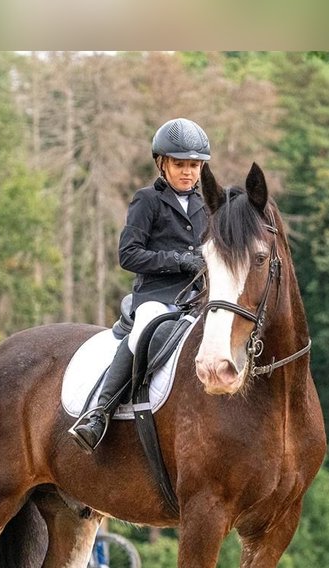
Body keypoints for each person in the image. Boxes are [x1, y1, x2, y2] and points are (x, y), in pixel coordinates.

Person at [68, 117, 210, 453]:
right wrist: (178, 261)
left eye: (194, 165)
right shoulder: (147, 200)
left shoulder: (207, 206)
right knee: (146, 330)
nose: (188, 172)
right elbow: (129, 254)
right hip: (156, 295)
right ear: (162, 164)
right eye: (180, 164)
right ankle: (98, 414)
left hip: (198, 295)